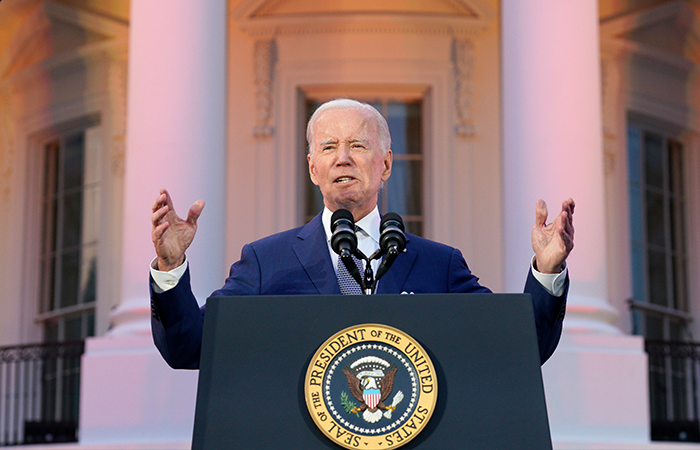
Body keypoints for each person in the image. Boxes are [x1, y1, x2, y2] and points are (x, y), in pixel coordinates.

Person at [150, 99, 575, 370]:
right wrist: (171, 267)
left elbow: (515, 350)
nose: (343, 158)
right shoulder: (267, 261)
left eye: (357, 145)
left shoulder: (437, 264)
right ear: (313, 167)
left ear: (386, 164)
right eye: (329, 147)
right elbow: (192, 347)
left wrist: (546, 270)